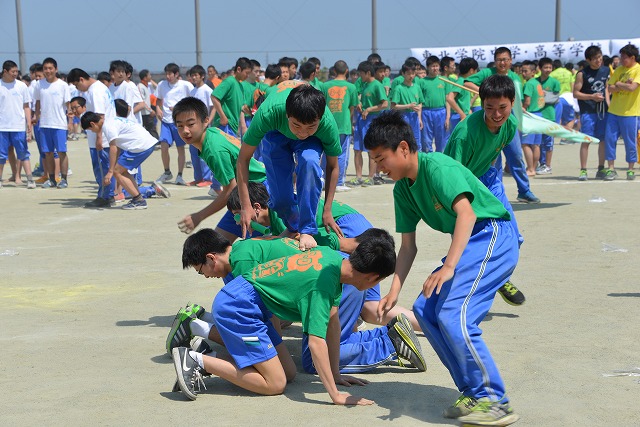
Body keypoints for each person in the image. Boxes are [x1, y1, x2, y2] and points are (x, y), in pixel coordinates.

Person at [365, 110, 520, 426]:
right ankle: (473, 393)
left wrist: (448, 266)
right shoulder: (402, 190)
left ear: (404, 149)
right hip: (471, 243)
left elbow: (467, 214)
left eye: (382, 159)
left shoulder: (437, 167)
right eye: (375, 161)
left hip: (493, 235)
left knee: (454, 315)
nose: (378, 168)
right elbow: (408, 246)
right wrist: (393, 291)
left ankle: (495, 401)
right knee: (425, 308)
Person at [172, 229, 396, 405]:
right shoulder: (321, 287)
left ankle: (206, 354)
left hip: (254, 308)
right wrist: (335, 395)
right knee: (275, 384)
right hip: (238, 308)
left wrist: (336, 374)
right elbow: (316, 343)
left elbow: (332, 323)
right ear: (373, 278)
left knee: (288, 373)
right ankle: (195, 360)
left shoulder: (331, 259)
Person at [444, 74, 527, 306]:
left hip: (489, 180)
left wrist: (489, 182)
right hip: (460, 187)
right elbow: (450, 176)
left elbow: (493, 155)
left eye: (503, 107)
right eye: (489, 107)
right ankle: (456, 297)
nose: (497, 114)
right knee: (467, 246)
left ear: (512, 103)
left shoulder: (509, 125)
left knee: (513, 237)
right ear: (481, 104)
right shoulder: (464, 133)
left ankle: (499, 278)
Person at [237, 84, 343, 251]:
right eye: (297, 125)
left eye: (310, 126)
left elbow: (332, 166)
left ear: (320, 119)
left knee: (309, 162)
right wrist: (245, 205)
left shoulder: (327, 124)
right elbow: (243, 159)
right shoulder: (268, 114)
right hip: (276, 132)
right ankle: (294, 226)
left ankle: (307, 229)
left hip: (312, 140)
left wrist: (327, 210)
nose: (302, 133)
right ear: (288, 115)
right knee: (279, 199)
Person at [172, 97, 267, 241]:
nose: (185, 131)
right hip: (240, 196)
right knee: (218, 246)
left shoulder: (213, 150)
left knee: (256, 247)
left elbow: (230, 190)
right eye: (180, 126)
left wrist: (199, 216)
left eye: (191, 124)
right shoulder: (211, 134)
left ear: (205, 121)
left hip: (256, 193)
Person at [464, 47, 541, 204]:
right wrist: (488, 93)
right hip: (491, 123)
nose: (502, 62)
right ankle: (495, 193)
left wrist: (520, 108)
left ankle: (524, 191)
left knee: (516, 156)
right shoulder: (487, 73)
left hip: (509, 123)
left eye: (505, 59)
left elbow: (516, 99)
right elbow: (467, 82)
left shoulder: (515, 77)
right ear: (495, 61)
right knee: (494, 160)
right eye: (499, 59)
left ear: (511, 61)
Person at [80, 99, 162, 210]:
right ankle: (137, 198)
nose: (93, 132)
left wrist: (110, 171)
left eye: (90, 129)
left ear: (92, 124)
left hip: (140, 146)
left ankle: (139, 200)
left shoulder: (107, 127)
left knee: (117, 171)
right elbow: (117, 147)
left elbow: (113, 147)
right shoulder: (111, 120)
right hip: (145, 143)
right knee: (121, 171)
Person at [67, 68, 117, 207]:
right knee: (102, 167)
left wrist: (99, 138)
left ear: (81, 79)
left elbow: (100, 116)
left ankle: (105, 197)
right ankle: (107, 195)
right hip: (102, 135)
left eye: (77, 85)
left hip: (101, 136)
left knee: (101, 167)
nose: (78, 89)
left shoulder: (95, 91)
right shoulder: (99, 88)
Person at [603, 44, 640, 181]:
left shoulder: (638, 70)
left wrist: (619, 84)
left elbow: (632, 88)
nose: (622, 60)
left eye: (624, 57)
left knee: (630, 142)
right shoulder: (619, 69)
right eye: (621, 57)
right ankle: (611, 168)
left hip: (630, 112)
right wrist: (620, 85)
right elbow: (610, 88)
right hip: (614, 111)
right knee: (610, 139)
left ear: (632, 57)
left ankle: (630, 169)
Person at [573, 45, 609, 181]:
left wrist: (608, 106)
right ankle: (583, 170)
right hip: (588, 111)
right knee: (586, 140)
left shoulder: (606, 70)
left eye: (600, 57)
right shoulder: (582, 73)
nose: (598, 61)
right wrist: (592, 97)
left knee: (603, 140)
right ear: (588, 60)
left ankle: (601, 168)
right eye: (595, 59)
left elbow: (606, 88)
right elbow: (576, 93)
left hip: (602, 111)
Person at [34, 57, 71, 189]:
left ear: (56, 69)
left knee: (61, 152)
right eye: (45, 68)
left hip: (59, 124)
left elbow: (68, 105)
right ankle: (51, 179)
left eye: (50, 68)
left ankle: (64, 179)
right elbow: (37, 102)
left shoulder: (63, 85)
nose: (48, 71)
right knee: (48, 153)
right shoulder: (39, 84)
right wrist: (36, 116)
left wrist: (70, 121)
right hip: (44, 124)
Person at [349, 61, 388, 187]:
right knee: (357, 149)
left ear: (368, 73)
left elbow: (384, 104)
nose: (360, 76)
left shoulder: (377, 85)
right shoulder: (364, 85)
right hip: (362, 119)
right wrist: (359, 104)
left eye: (361, 73)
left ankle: (371, 177)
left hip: (372, 120)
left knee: (371, 149)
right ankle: (358, 177)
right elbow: (359, 97)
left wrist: (369, 109)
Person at [321, 60, 358, 192]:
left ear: (334, 71)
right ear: (347, 71)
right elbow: (352, 107)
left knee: (326, 153)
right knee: (342, 154)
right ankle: (339, 182)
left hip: (327, 125)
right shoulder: (351, 87)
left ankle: (324, 179)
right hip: (344, 125)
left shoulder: (324, 86)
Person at [155, 63, 193, 185]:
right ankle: (167, 172)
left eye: (170, 74)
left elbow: (193, 99)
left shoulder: (185, 85)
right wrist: (158, 109)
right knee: (164, 146)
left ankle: (180, 175)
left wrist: (180, 108)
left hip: (180, 122)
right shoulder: (161, 85)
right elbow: (158, 99)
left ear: (176, 74)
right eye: (166, 73)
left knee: (180, 148)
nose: (168, 76)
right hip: (166, 121)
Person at [0, 60, 35, 189]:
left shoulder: (21, 86)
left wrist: (29, 123)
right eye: (12, 72)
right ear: (5, 72)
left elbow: (26, 106)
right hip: (2, 127)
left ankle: (30, 180)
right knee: (1, 155)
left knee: (23, 153)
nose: (15, 74)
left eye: (16, 71)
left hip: (18, 126)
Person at [188, 65, 219, 194]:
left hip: (203, 125)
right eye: (192, 75)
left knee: (203, 153)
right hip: (192, 126)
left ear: (202, 76)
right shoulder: (192, 91)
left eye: (196, 75)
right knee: (193, 152)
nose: (194, 77)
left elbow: (214, 107)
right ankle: (198, 177)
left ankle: (208, 178)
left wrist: (208, 121)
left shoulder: (207, 90)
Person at [212, 57, 250, 138]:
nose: (247, 76)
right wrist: (222, 117)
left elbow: (241, 107)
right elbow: (214, 97)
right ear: (239, 69)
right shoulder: (229, 81)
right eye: (246, 73)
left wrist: (252, 112)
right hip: (225, 125)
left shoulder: (240, 86)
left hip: (233, 127)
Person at [535, 57, 561, 175]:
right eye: (545, 67)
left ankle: (548, 165)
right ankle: (539, 163)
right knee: (537, 142)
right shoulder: (534, 82)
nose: (548, 70)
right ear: (540, 68)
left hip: (549, 115)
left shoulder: (554, 82)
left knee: (548, 142)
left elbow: (555, 99)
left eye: (550, 67)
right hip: (536, 115)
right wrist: (545, 96)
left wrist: (543, 96)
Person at [419, 56, 449, 153]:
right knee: (426, 140)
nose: (435, 68)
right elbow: (419, 101)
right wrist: (419, 118)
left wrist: (448, 117)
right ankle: (428, 160)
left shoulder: (444, 80)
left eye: (436, 66)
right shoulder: (422, 82)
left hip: (441, 112)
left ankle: (441, 161)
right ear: (427, 67)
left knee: (441, 140)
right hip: (426, 112)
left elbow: (448, 99)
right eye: (432, 66)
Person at [520, 60, 545, 176]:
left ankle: (530, 168)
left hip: (530, 115)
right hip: (539, 114)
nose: (523, 74)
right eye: (522, 71)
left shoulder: (529, 84)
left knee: (525, 144)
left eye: (525, 71)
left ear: (533, 72)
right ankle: (534, 167)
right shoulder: (537, 83)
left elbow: (527, 101)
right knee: (536, 144)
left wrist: (522, 108)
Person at [390, 63, 423, 148]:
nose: (411, 76)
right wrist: (408, 106)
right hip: (403, 116)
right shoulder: (399, 88)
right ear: (403, 74)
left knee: (416, 140)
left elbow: (420, 102)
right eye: (408, 74)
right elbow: (393, 106)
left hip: (414, 116)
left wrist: (419, 117)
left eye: (413, 74)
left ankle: (416, 160)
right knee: (403, 140)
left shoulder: (417, 87)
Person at [445, 57, 477, 140]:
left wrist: (468, 110)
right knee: (459, 141)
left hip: (464, 115)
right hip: (458, 117)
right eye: (476, 70)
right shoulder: (461, 81)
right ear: (471, 70)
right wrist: (461, 113)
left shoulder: (465, 81)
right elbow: (450, 98)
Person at [137, 70, 159, 139]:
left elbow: (157, 87)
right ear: (145, 78)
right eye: (149, 75)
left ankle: (155, 141)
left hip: (147, 112)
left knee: (151, 128)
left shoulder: (146, 86)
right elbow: (142, 101)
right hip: (144, 113)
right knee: (149, 128)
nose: (150, 77)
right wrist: (150, 110)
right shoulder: (140, 87)